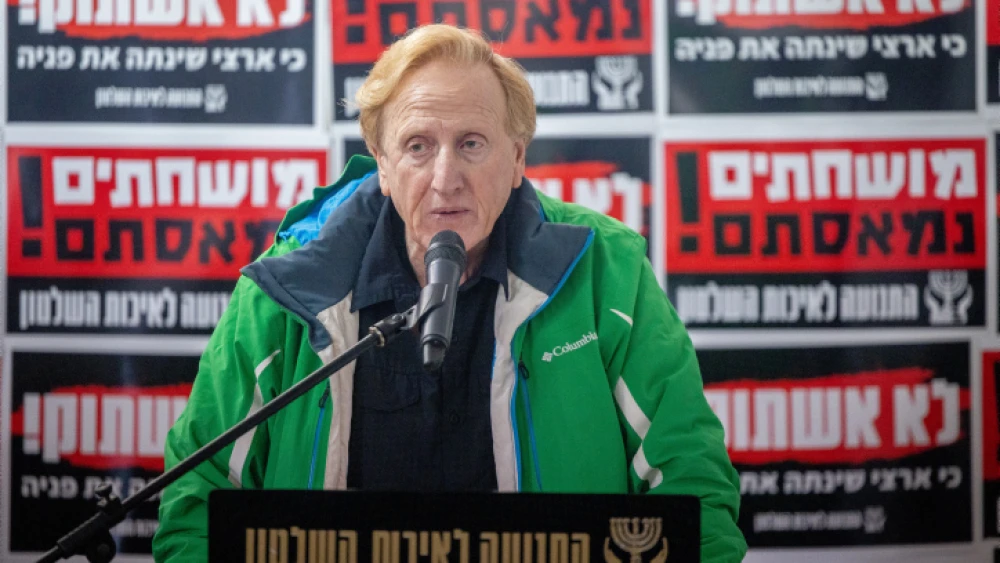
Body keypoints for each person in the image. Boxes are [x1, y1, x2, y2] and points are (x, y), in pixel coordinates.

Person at [153, 24, 746, 562]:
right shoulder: (288, 289)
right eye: (417, 147)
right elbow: (195, 504)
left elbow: (693, 489)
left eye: (471, 144)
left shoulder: (606, 271)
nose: (444, 179)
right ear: (382, 165)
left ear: (517, 159)